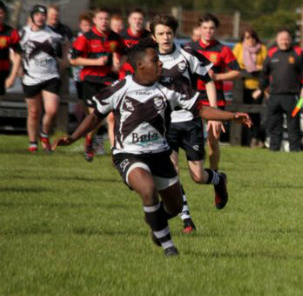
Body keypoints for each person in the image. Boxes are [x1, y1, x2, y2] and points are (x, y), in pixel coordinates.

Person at [54, 40, 251, 256]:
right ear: (140, 65)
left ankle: (156, 223)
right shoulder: (121, 88)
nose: (160, 64)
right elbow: (95, 116)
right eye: (155, 60)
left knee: (175, 208)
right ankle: (169, 247)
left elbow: (201, 109)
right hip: (128, 154)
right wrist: (73, 138)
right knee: (148, 191)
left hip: (159, 155)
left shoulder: (169, 87)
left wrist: (232, 116)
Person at [150, 14, 224, 234]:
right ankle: (186, 219)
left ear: (174, 34)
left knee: (198, 176)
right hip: (166, 124)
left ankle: (219, 179)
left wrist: (213, 113)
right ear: (154, 36)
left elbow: (209, 80)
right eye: (161, 34)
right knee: (172, 173)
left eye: (169, 33)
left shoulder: (187, 54)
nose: (165, 38)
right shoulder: (149, 58)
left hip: (190, 121)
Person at [186, 13, 241, 171]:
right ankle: (196, 169)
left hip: (215, 99)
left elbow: (237, 72)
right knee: (192, 137)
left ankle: (214, 172)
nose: (208, 31)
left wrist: (217, 76)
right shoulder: (189, 48)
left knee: (213, 140)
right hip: (193, 98)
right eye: (204, 28)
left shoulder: (223, 49)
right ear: (199, 29)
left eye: (211, 28)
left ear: (215, 30)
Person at [70, 8, 125, 161]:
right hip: (90, 80)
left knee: (113, 117)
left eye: (106, 18)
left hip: (109, 80)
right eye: (101, 18)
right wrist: (95, 62)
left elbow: (124, 53)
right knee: (95, 117)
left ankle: (116, 153)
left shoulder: (114, 37)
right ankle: (89, 143)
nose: (104, 21)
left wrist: (119, 62)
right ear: (94, 20)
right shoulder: (86, 38)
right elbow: (73, 60)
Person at [13, 5, 65, 153]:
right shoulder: (24, 33)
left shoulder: (53, 34)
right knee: (34, 112)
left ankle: (44, 134)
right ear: (32, 17)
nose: (40, 17)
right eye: (37, 15)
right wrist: (18, 69)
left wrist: (61, 66)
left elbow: (63, 52)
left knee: (52, 110)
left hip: (50, 76)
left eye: (43, 15)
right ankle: (32, 142)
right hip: (31, 77)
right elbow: (15, 51)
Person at [254, 27, 303, 152]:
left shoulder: (299, 53)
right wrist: (260, 88)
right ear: (277, 40)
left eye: (286, 39)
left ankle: (295, 150)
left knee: (293, 124)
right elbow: (264, 73)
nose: (284, 42)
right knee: (274, 124)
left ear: (291, 39)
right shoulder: (271, 53)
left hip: (294, 97)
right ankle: (274, 149)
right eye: (281, 39)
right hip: (274, 97)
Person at [232, 27, 267, 148]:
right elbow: (232, 63)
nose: (250, 40)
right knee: (242, 114)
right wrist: (243, 69)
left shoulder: (262, 48)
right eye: (247, 37)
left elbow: (268, 66)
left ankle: (255, 138)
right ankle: (243, 139)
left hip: (257, 87)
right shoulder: (239, 47)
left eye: (253, 37)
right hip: (240, 87)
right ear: (243, 38)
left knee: (255, 114)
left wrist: (259, 68)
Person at [118, 8, 151, 79]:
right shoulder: (121, 36)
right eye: (135, 19)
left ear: (144, 21)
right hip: (125, 75)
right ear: (129, 20)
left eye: (140, 19)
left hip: (142, 74)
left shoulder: (149, 37)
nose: (137, 21)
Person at [0, 1, 21, 97]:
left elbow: (18, 55)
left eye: (1, 13)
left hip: (2, 73)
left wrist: (12, 77)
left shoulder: (11, 32)